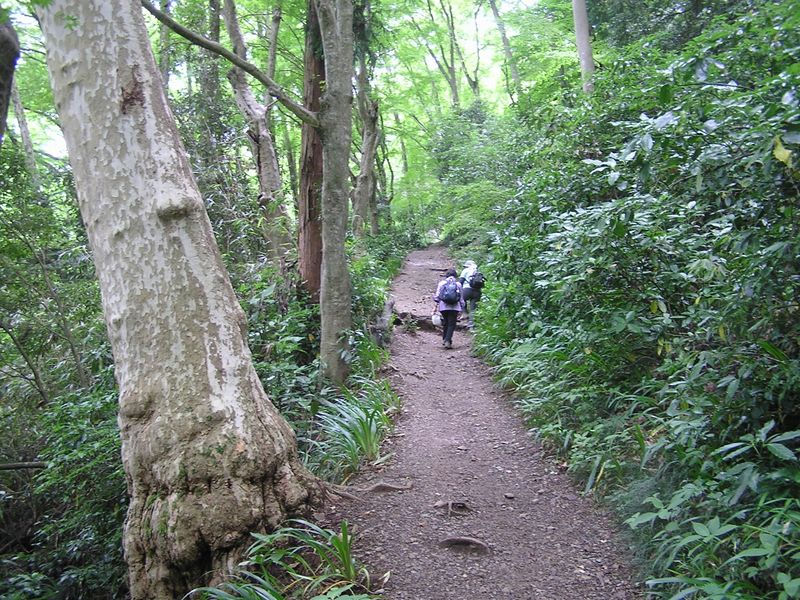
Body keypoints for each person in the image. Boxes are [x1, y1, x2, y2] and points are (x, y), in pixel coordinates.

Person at [433, 267, 463, 349]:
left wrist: (435, 306)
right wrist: (462, 309)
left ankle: (445, 339)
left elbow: (437, 296)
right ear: (455, 276)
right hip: (455, 307)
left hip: (443, 307)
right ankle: (447, 340)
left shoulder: (442, 283)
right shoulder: (458, 284)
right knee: (452, 324)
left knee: (445, 322)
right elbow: (461, 298)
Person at [459, 260, 483, 328]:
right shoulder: (477, 271)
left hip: (466, 290)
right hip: (477, 291)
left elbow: (461, 281)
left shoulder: (465, 270)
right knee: (473, 308)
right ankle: (471, 325)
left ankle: (464, 313)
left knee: (461, 300)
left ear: (467, 266)